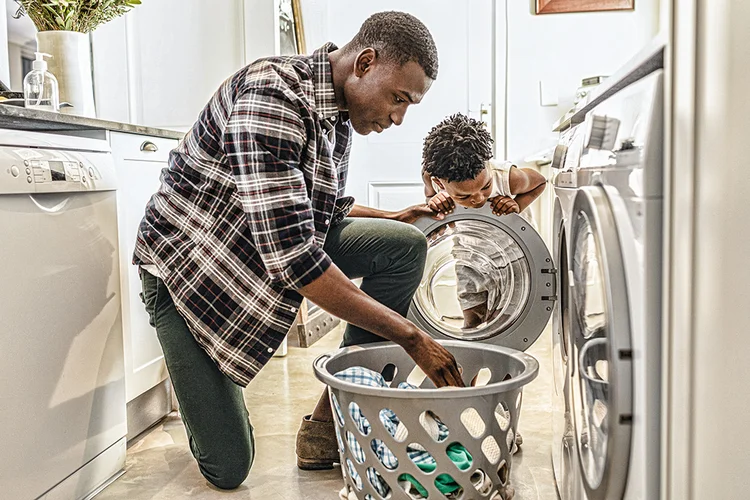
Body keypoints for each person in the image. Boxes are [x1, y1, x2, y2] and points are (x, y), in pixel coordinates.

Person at [133, 11, 464, 490]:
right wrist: (413, 337)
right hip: (192, 272)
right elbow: (295, 260)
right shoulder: (272, 97)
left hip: (258, 246)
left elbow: (321, 210)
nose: (398, 118)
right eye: (398, 99)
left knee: (405, 247)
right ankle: (200, 368)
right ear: (365, 63)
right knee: (229, 467)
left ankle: (333, 419)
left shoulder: (339, 114)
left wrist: (395, 218)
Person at [420, 113, 547, 329]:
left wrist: (517, 206)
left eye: (485, 186)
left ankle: (500, 359)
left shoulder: (507, 177)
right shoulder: (432, 178)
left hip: (512, 259)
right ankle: (470, 359)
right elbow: (431, 199)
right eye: (463, 197)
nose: (479, 198)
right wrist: (434, 199)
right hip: (468, 257)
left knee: (502, 323)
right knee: (471, 318)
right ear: (439, 182)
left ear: (487, 164)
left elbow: (540, 182)